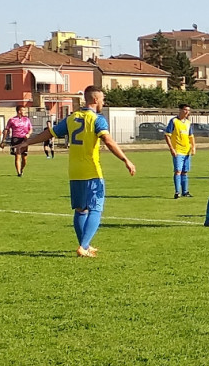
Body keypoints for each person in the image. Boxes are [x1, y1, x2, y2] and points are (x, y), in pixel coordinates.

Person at [13, 86, 136, 257]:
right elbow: (108, 140)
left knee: (80, 209)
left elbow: (49, 133)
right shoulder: (97, 119)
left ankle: (84, 245)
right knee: (95, 209)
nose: (103, 102)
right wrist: (125, 160)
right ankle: (83, 246)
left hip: (74, 171)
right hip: (92, 170)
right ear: (95, 100)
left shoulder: (72, 118)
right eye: (102, 99)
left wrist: (27, 143)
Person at [164, 104, 196, 198]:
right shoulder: (174, 121)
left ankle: (185, 192)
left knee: (185, 172)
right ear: (180, 110)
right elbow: (167, 135)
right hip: (178, 151)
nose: (187, 112)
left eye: (188, 110)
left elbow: (191, 136)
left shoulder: (188, 123)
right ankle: (177, 192)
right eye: (185, 110)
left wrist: (193, 147)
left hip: (187, 151)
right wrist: (171, 148)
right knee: (178, 171)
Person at [0, 105, 33, 176]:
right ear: (19, 111)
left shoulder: (27, 120)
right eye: (23, 110)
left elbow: (30, 129)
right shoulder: (12, 120)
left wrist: (28, 134)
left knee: (24, 159)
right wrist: (3, 141)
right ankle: (19, 173)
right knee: (17, 156)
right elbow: (6, 130)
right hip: (16, 139)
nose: (25, 112)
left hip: (24, 139)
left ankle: (21, 169)